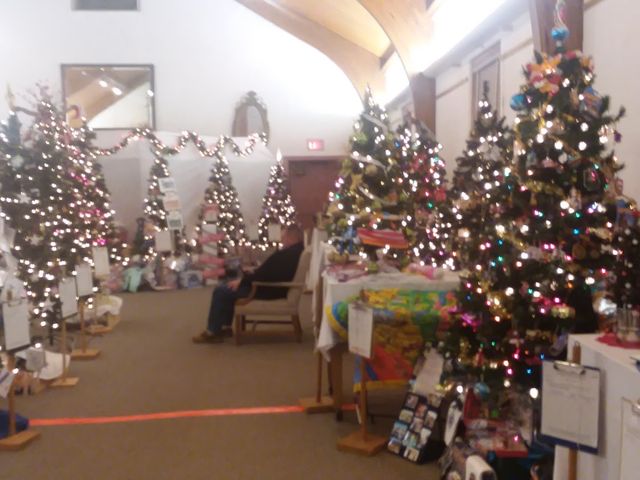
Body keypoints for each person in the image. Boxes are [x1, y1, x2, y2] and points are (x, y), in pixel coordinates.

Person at [192, 224, 305, 343]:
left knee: (221, 291)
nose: (281, 239)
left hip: (264, 289)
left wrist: (243, 281)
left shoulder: (288, 255)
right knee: (228, 287)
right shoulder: (294, 252)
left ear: (291, 237)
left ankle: (212, 332)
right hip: (266, 286)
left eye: (283, 236)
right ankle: (225, 328)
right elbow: (269, 272)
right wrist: (253, 272)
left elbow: (268, 276)